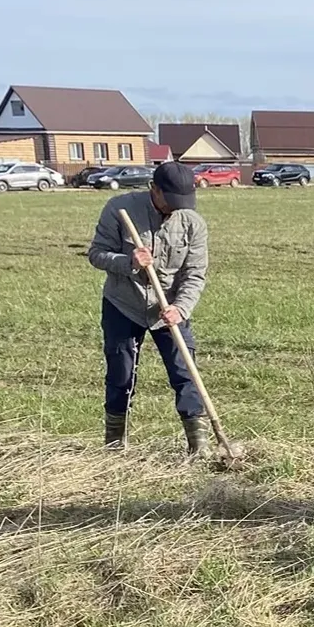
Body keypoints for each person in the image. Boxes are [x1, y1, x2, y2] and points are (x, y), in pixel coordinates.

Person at [86, 161, 212, 453]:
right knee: (121, 373)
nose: (176, 208)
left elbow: (194, 273)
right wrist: (128, 262)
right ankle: (115, 444)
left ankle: (199, 447)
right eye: (170, 200)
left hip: (168, 308)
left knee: (185, 372)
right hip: (123, 304)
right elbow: (96, 254)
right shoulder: (120, 209)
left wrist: (181, 308)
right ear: (154, 189)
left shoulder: (193, 223)